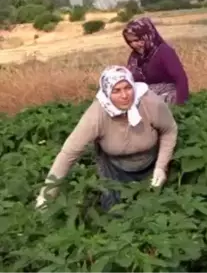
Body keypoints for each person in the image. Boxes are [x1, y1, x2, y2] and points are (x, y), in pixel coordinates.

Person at [35, 65, 178, 211]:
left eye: (127, 88)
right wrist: (46, 195)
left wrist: (161, 167)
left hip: (151, 164)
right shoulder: (97, 115)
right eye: (116, 91)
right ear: (107, 93)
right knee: (115, 212)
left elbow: (169, 130)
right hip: (114, 170)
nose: (124, 95)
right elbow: (69, 153)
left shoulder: (150, 103)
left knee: (154, 208)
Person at [122, 17, 189, 105]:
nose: (134, 44)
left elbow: (180, 78)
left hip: (167, 96)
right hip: (144, 96)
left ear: (148, 36)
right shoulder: (135, 56)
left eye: (137, 40)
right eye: (130, 42)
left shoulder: (164, 51)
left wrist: (181, 104)